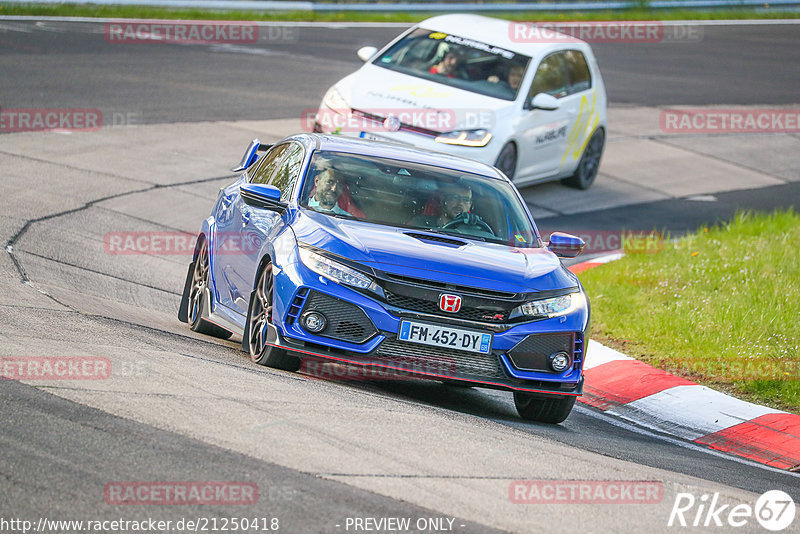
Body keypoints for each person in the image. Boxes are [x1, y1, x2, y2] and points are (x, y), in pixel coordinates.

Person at [411, 181, 492, 235]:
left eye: (465, 200)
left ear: (470, 205)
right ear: (443, 200)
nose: (460, 203)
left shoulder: (477, 232)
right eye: (455, 198)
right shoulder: (421, 223)